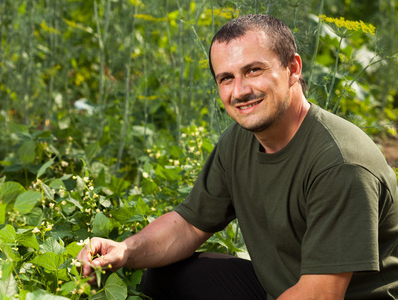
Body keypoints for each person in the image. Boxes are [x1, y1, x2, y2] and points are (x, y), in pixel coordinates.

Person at [77, 14, 398, 299]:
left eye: (254, 70)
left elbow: (321, 295)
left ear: (293, 68)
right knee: (166, 276)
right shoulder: (241, 139)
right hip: (282, 287)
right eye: (226, 78)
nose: (240, 90)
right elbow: (189, 225)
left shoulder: (340, 163)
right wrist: (125, 250)